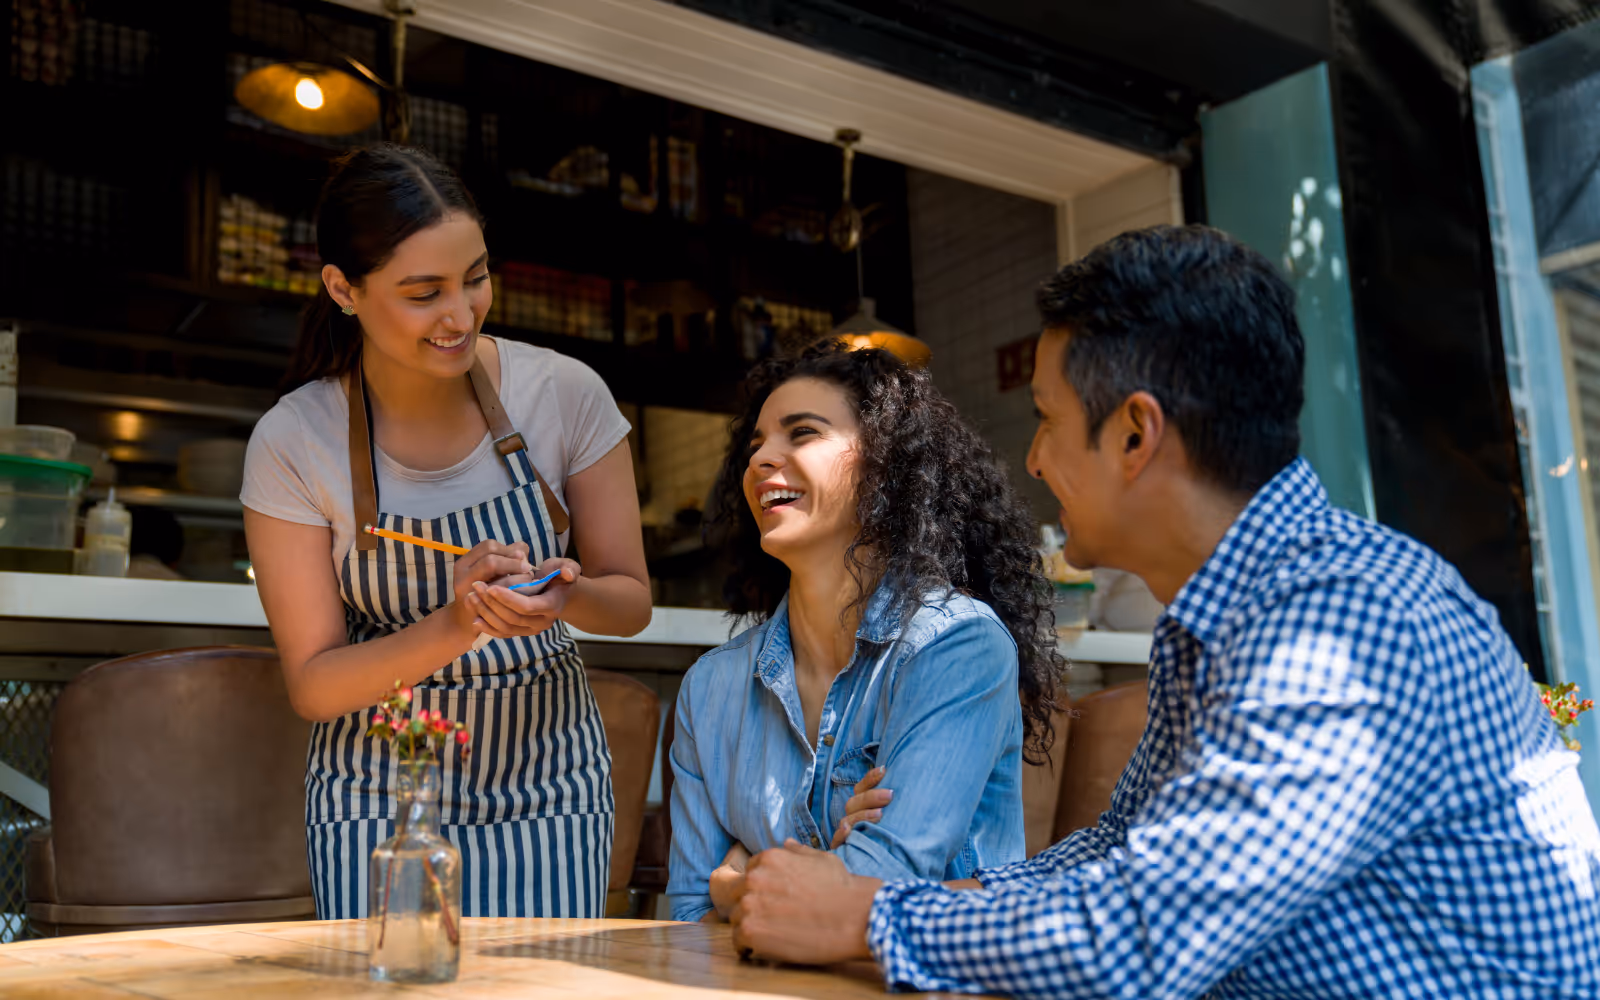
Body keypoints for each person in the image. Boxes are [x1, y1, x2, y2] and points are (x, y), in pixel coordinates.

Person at [726, 225, 1600, 997]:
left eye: (1046, 420)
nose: (1032, 460)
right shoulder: (1227, 618)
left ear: (1136, 435)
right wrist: (860, 901)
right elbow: (1112, 856)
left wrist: (866, 918)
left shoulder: (1343, 618)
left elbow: (1144, 938)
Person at [242, 144, 651, 920]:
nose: (459, 316)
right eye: (424, 292)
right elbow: (316, 684)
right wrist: (457, 623)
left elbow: (630, 603)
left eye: (475, 278)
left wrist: (562, 597)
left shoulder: (566, 395)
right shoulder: (294, 441)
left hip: (550, 781)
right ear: (342, 288)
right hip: (377, 790)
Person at [666, 342, 1065, 923]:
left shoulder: (958, 646)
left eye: (801, 433)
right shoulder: (710, 687)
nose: (759, 460)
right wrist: (830, 867)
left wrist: (740, 882)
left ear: (886, 462)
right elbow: (688, 915)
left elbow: (887, 893)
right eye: (755, 446)